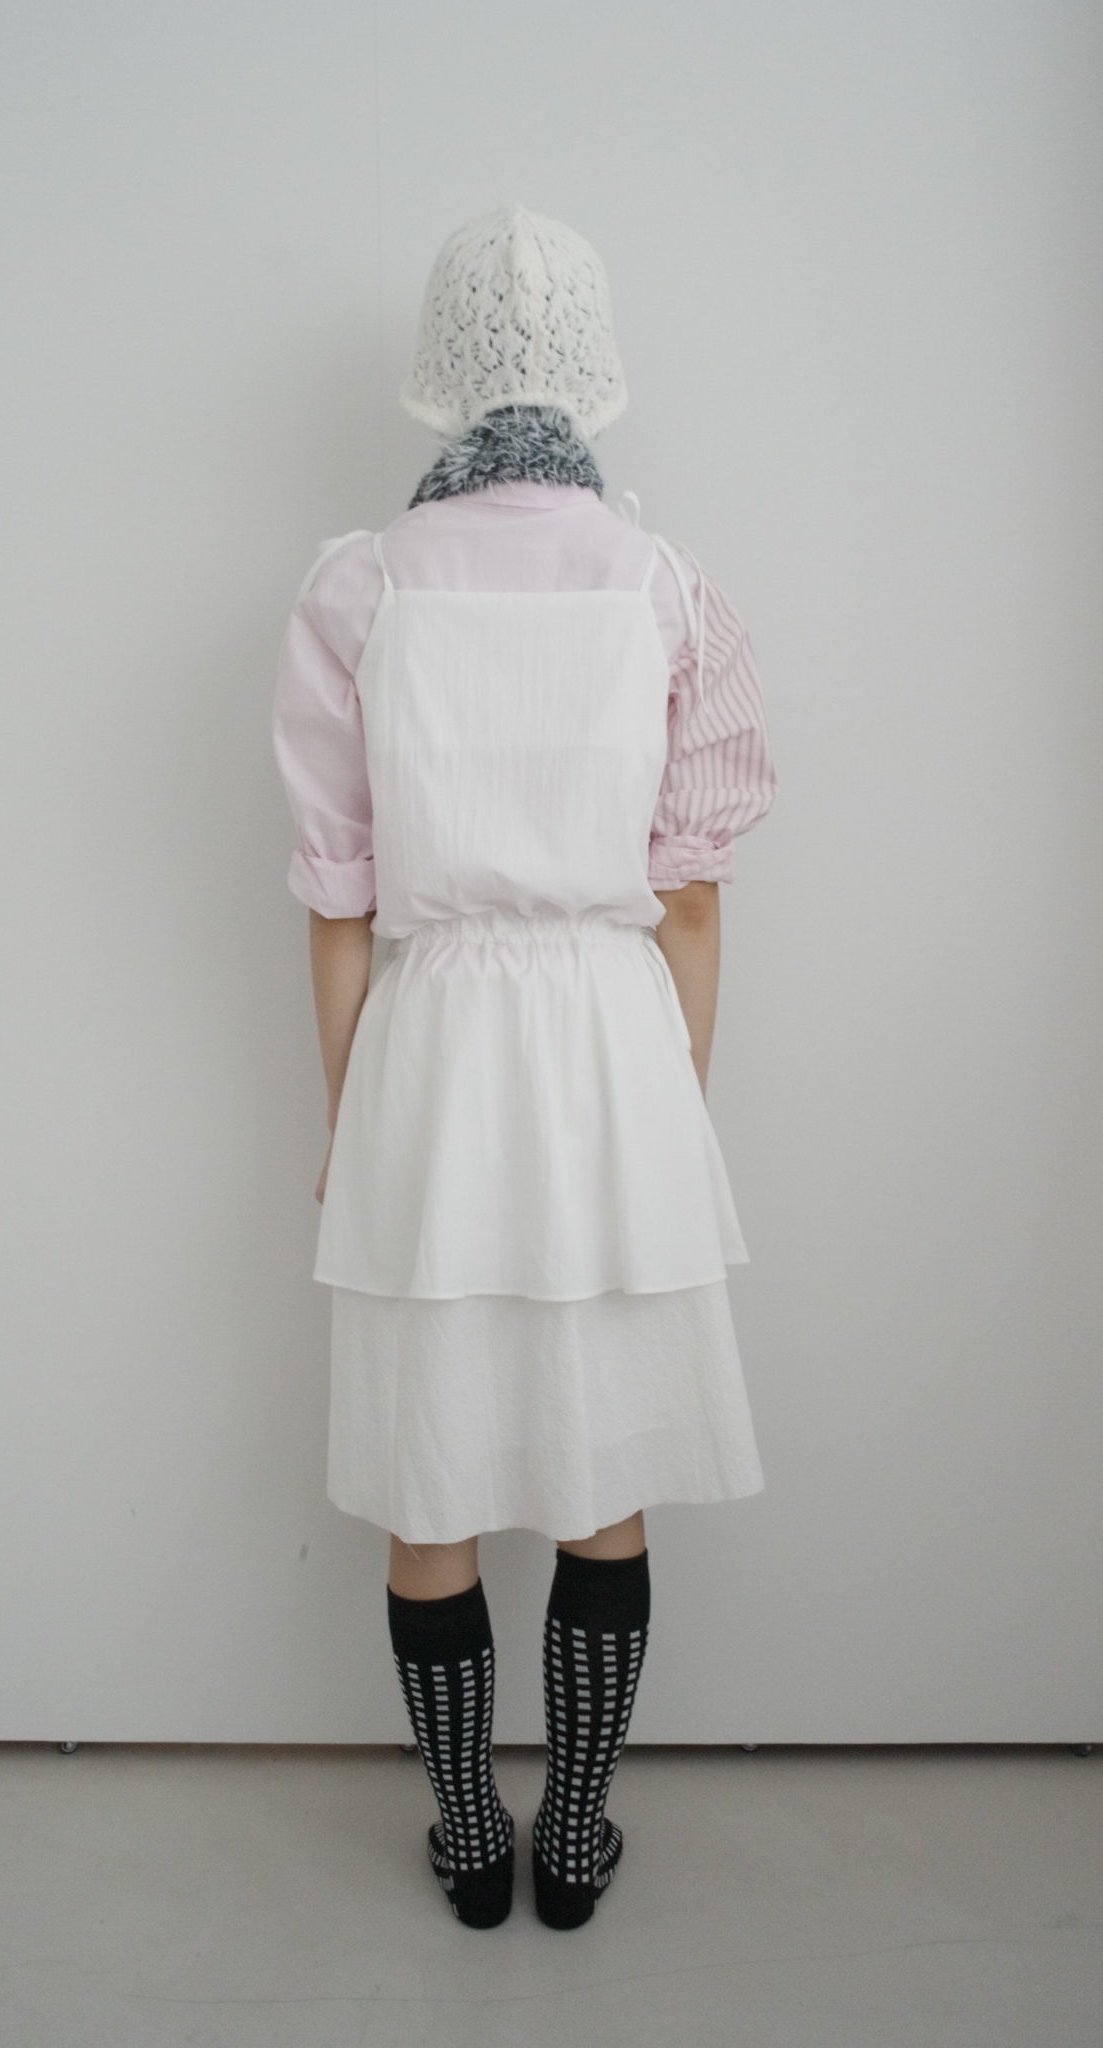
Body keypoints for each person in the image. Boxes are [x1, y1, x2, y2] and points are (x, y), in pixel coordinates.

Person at [272, 204, 776, 1931]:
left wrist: (353, 1123)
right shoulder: (661, 584)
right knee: (598, 1480)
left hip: (429, 1052)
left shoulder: (361, 587)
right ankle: (575, 1841)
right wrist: (673, 1104)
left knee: (432, 1485)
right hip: (613, 1048)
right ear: (590, 375)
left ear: (443, 379)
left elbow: (340, 901)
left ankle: (468, 1847)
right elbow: (690, 896)